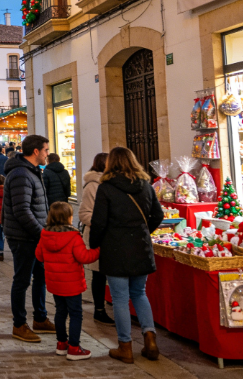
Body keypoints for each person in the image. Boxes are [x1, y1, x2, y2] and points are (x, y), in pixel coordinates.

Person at [90, 147, 164, 364]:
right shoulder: (146, 186)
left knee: (120, 298)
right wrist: (143, 231)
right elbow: (158, 214)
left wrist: (95, 244)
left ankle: (125, 346)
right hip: (140, 246)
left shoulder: (106, 188)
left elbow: (98, 222)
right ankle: (150, 339)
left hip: (115, 249)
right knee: (139, 293)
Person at [2, 134, 56, 343]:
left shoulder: (32, 171)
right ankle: (19, 324)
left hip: (35, 236)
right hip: (23, 237)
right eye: (46, 150)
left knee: (40, 277)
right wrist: (42, 233)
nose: (47, 154)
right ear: (36, 151)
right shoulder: (21, 174)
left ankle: (40, 318)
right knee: (22, 280)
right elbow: (22, 210)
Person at [35, 202, 100, 361]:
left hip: (55, 283)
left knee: (60, 312)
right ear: (69, 218)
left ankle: (61, 344)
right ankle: (74, 347)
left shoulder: (45, 234)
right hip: (72, 284)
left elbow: (39, 256)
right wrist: (98, 250)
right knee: (76, 314)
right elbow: (84, 257)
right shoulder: (73, 236)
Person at [77, 153, 114, 326]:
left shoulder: (112, 183)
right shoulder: (92, 185)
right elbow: (84, 213)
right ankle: (99, 310)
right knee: (99, 275)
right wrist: (103, 222)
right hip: (98, 236)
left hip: (112, 236)